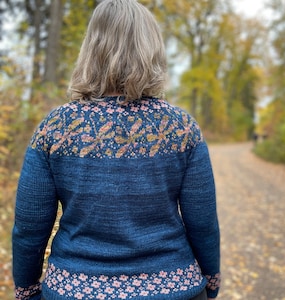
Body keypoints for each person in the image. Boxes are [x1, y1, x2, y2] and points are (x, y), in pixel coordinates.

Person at [12, 0, 221, 299]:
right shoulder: (181, 127)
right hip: (176, 288)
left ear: (91, 49)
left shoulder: (55, 127)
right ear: (152, 50)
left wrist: (27, 290)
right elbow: (203, 223)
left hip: (73, 289)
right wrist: (210, 281)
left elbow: (29, 228)